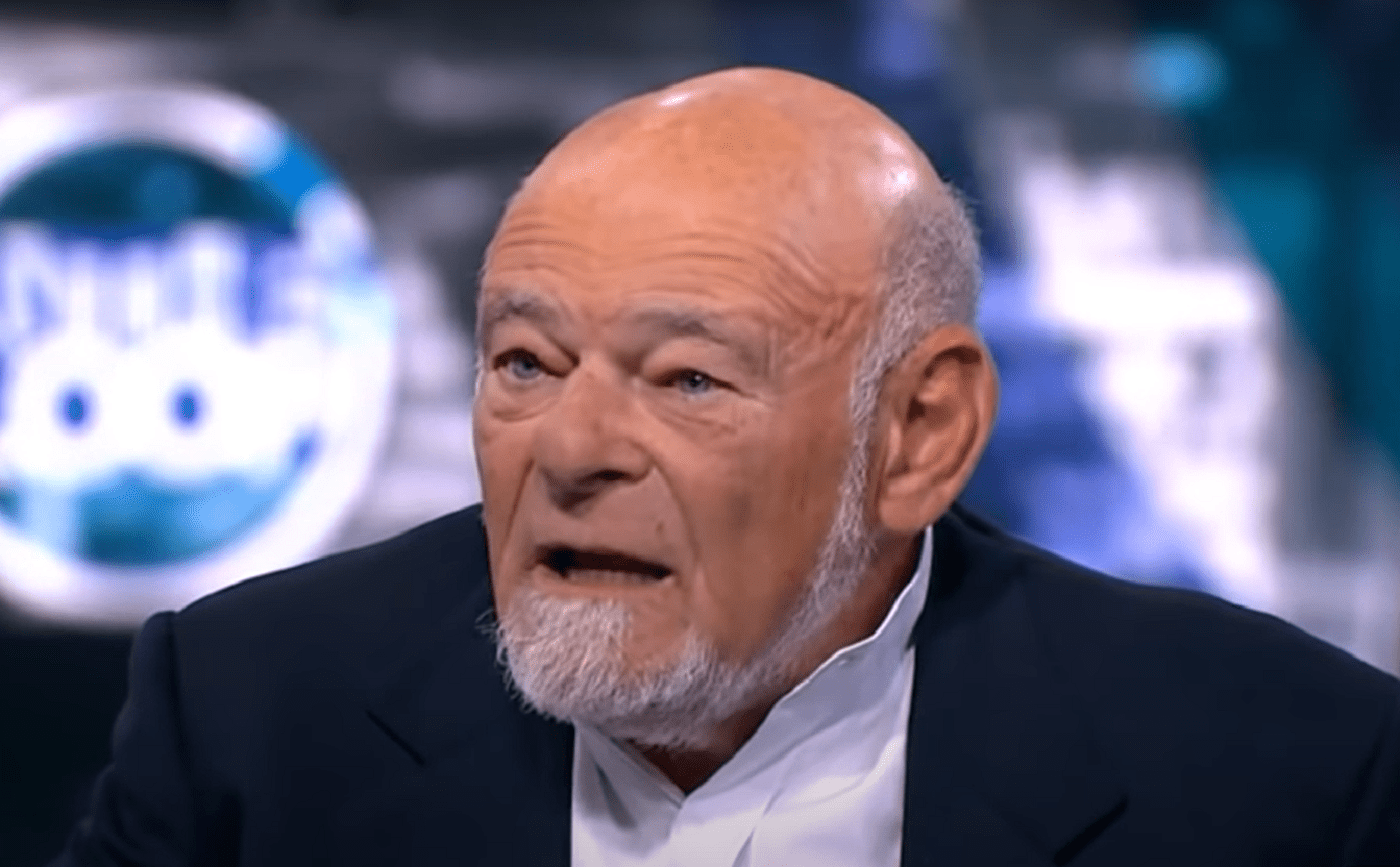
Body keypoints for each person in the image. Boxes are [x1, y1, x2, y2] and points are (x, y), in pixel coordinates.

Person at [54, 67, 1399, 867]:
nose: (571, 451)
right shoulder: (246, 716)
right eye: (525, 361)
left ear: (920, 434)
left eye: (688, 379)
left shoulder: (1281, 778)